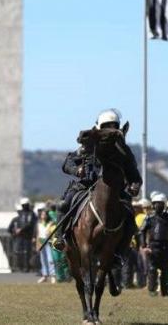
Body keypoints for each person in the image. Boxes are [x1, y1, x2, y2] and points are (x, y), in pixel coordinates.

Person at [53, 109, 142, 262]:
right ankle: (60, 237)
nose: (110, 129)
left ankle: (120, 252)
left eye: (113, 126)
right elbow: (67, 164)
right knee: (63, 204)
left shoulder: (124, 150)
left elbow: (133, 173)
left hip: (114, 190)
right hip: (84, 186)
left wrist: (135, 185)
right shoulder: (88, 145)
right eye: (107, 126)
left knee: (129, 215)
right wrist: (76, 170)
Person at [139, 192, 168, 297]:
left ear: (164, 205)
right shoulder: (150, 217)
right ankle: (152, 290)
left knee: (166, 270)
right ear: (153, 205)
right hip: (153, 246)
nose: (158, 206)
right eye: (156, 204)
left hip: (167, 246)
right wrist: (144, 245)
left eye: (160, 204)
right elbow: (142, 231)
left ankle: (164, 291)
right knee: (152, 269)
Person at [8, 198, 37, 272]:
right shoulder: (19, 216)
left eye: (26, 205)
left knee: (27, 253)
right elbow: (10, 228)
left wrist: (21, 229)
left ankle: (27, 267)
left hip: (27, 237)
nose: (25, 206)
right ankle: (19, 267)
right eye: (24, 205)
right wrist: (15, 232)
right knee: (18, 252)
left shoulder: (31, 213)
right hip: (19, 237)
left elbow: (30, 224)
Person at [36, 209, 56, 284]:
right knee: (43, 260)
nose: (43, 216)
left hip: (48, 241)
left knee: (50, 259)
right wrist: (37, 245)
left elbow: (54, 222)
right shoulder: (39, 223)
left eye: (44, 214)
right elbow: (38, 234)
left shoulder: (50, 223)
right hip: (41, 242)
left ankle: (53, 275)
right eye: (42, 215)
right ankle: (45, 275)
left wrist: (51, 225)